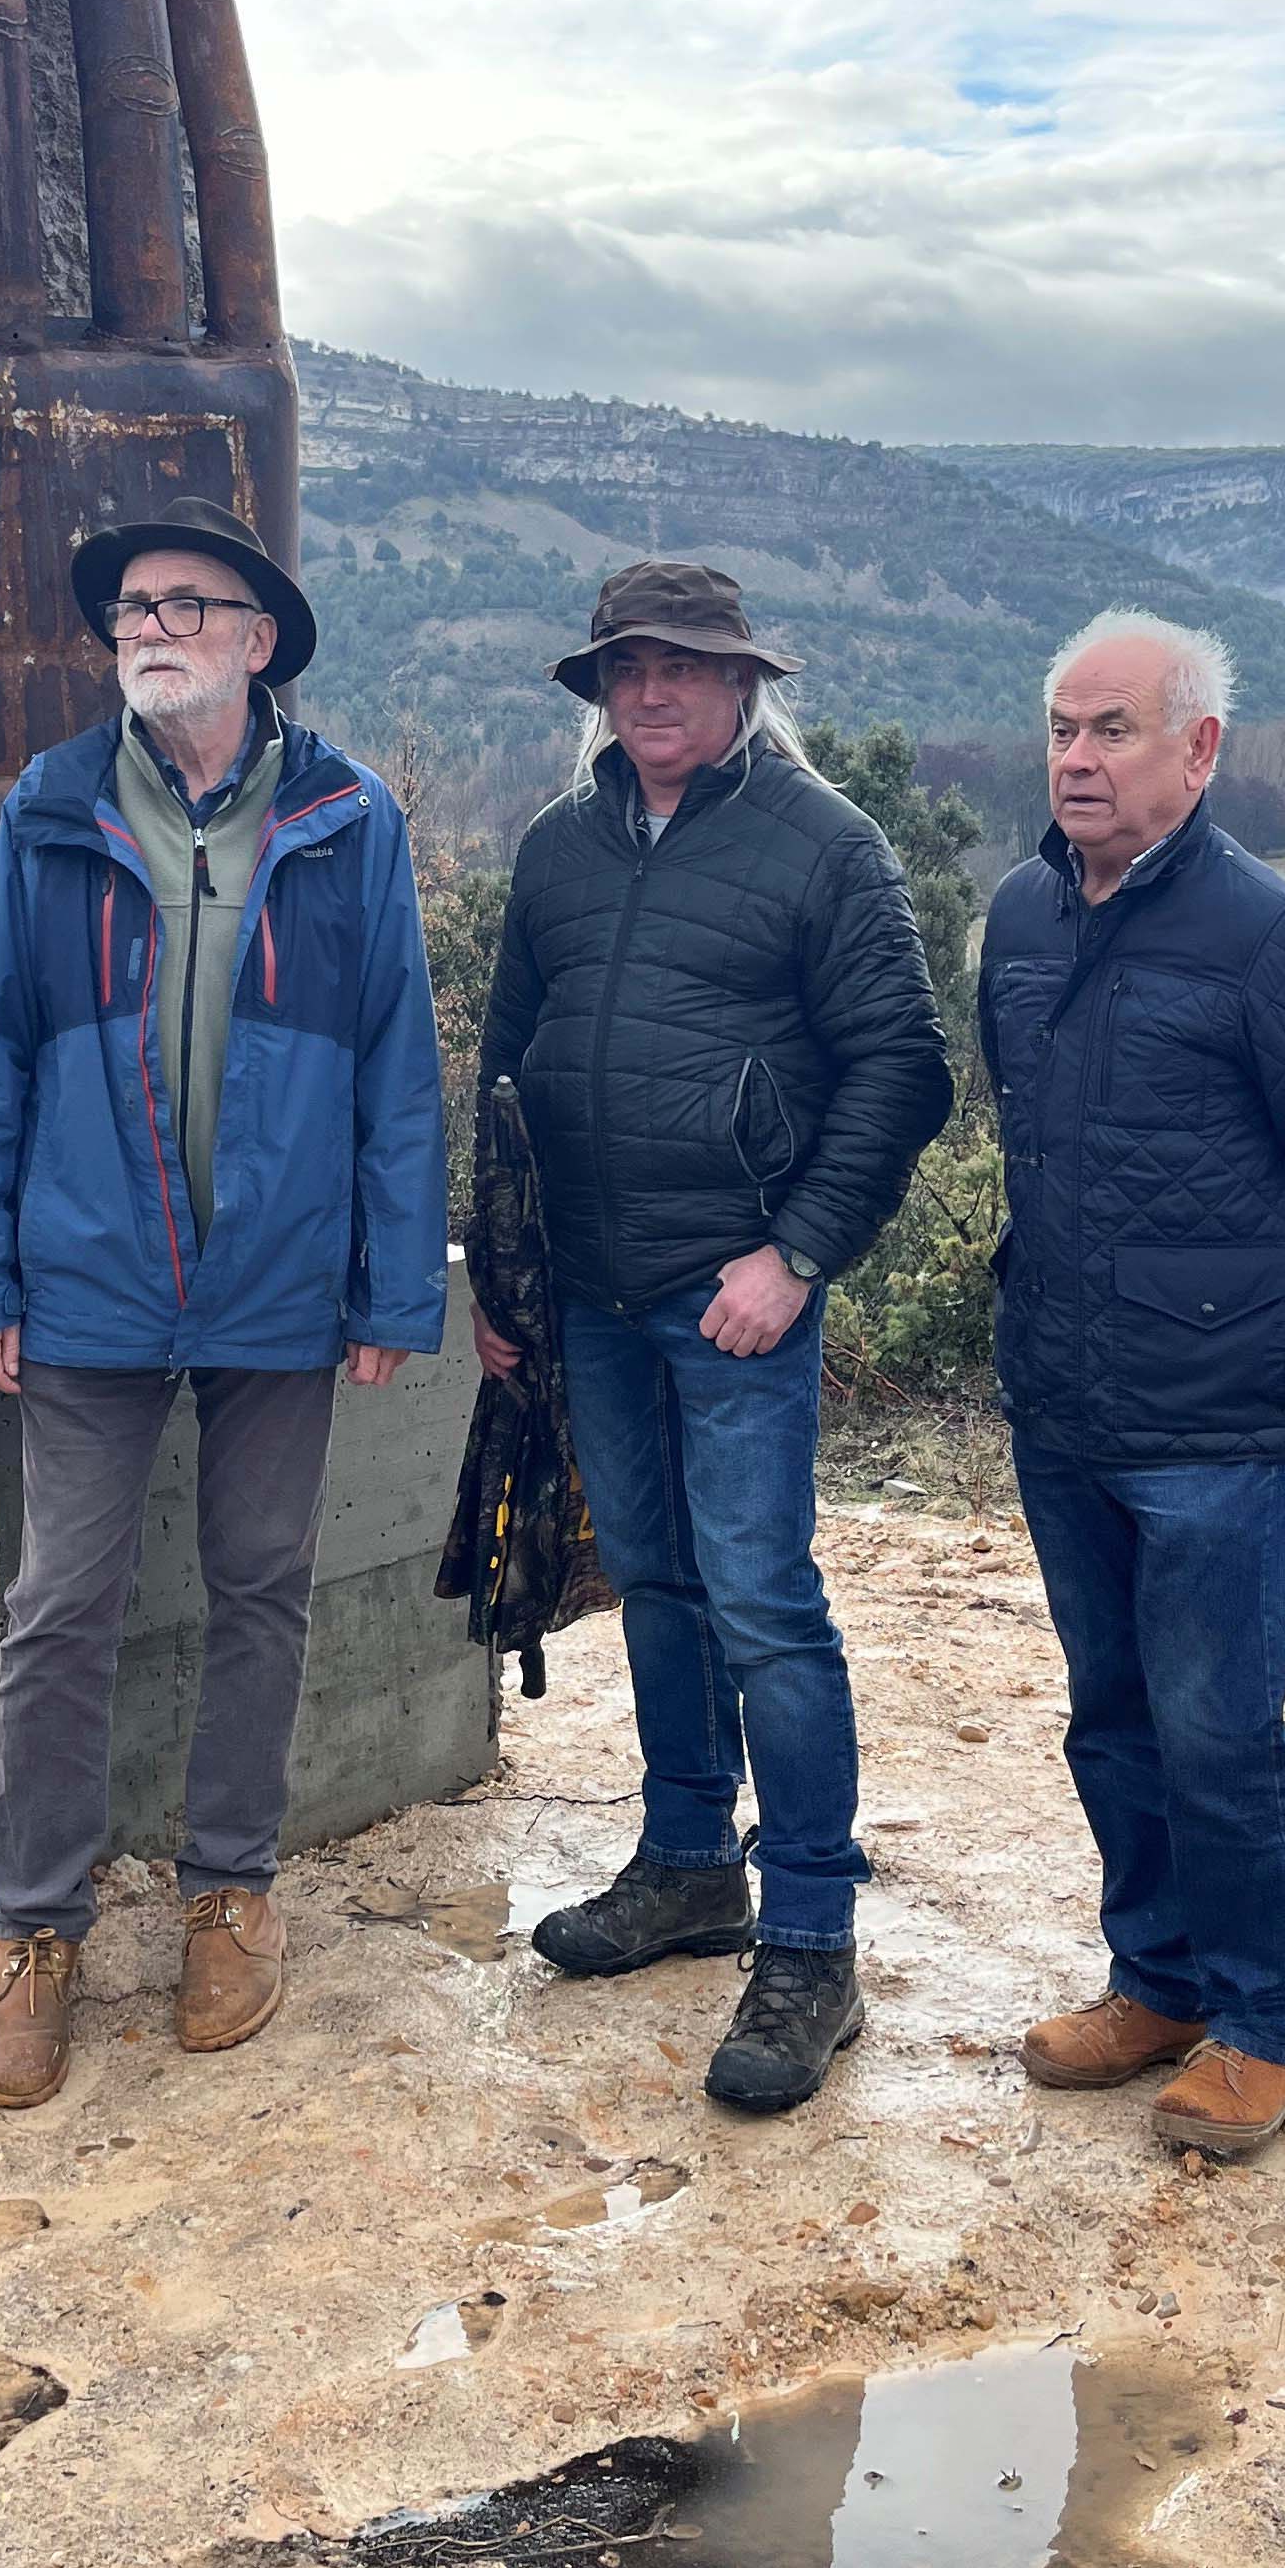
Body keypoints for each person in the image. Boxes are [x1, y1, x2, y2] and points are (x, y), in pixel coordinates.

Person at [0, 500, 447, 2108]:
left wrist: (393, 1276)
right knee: (60, 1604)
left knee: (263, 1584)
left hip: (281, 1285)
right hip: (85, 1277)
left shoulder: (352, 819)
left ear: (257, 640)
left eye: (180, 606)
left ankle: (231, 1888)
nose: (143, 630)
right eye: (128, 612)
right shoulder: (53, 806)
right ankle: (37, 1928)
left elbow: (398, 1068)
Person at [473, 562, 954, 2112]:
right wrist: (505, 1275)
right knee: (662, 1584)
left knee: (764, 1603)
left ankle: (811, 1934)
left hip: (732, 1303)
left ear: (746, 686)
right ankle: (689, 1863)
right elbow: (507, 1062)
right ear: (601, 690)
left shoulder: (827, 846)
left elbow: (902, 1068)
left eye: (686, 666)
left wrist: (798, 1254)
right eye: (629, 668)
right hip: (597, 1299)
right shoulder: (557, 850)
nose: (654, 692)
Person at [982, 608, 1285, 2164]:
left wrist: (1266, 1315)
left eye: (1112, 730)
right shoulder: (1023, 921)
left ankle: (1265, 2021)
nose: (1079, 757)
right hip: (1063, 1397)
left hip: (1214, 1425)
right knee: (1110, 1717)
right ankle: (1158, 1981)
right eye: (1062, 728)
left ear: (1200, 749)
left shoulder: (1269, 937)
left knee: (1221, 1728)